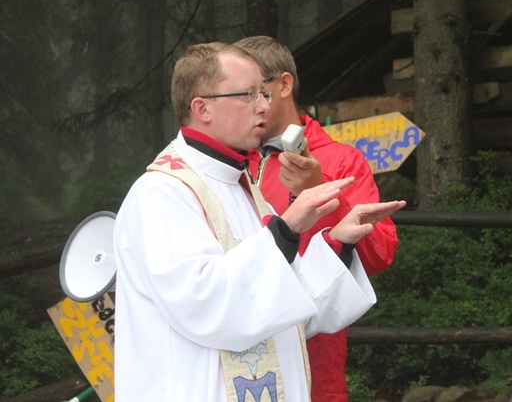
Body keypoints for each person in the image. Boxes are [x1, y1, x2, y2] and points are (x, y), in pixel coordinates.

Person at [112, 42, 406, 401]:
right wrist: (285, 230)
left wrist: (337, 244)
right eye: (248, 94)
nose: (265, 105)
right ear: (202, 108)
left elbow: (287, 310)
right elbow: (206, 303)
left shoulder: (239, 185)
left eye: (263, 93)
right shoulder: (162, 194)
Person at [235, 36, 399, 402]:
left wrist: (321, 189)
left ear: (283, 84)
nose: (246, 105)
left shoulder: (340, 160)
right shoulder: (230, 162)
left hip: (313, 364)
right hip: (236, 356)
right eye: (237, 95)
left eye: (252, 92)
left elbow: (379, 255)